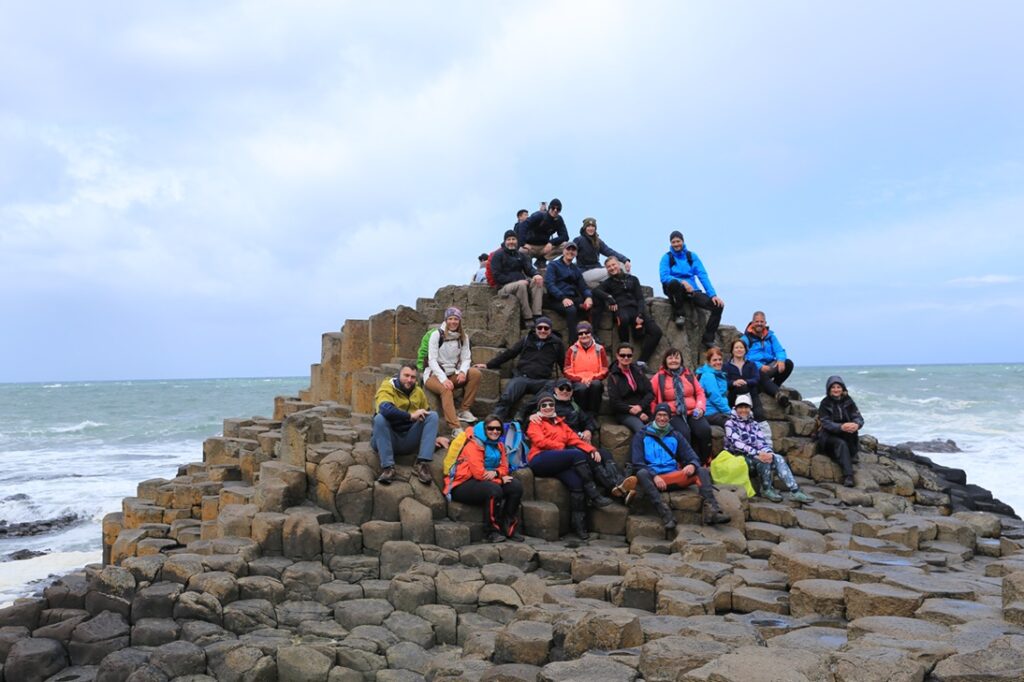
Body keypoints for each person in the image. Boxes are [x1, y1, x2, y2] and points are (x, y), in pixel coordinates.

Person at [618, 403, 731, 529]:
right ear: (654, 417)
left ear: (669, 418)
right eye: (659, 415)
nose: (662, 418)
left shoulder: (675, 435)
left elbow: (692, 456)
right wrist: (654, 476)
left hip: (673, 476)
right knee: (641, 473)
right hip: (653, 479)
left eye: (665, 415)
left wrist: (692, 465)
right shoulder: (641, 435)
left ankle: (713, 511)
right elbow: (638, 463)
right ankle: (667, 516)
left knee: (701, 470)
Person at [526, 392, 613, 540]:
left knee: (576, 483)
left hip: (557, 461)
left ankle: (579, 527)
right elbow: (539, 442)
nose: (548, 407)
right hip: (539, 459)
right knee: (576, 455)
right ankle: (595, 494)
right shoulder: (535, 423)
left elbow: (574, 439)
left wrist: (591, 449)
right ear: (539, 408)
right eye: (544, 405)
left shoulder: (561, 423)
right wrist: (560, 446)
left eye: (551, 405)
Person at [525, 379, 626, 500]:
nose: (564, 391)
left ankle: (619, 484)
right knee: (581, 455)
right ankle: (609, 487)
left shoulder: (566, 415)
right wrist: (561, 445)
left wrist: (591, 447)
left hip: (566, 449)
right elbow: (538, 439)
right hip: (545, 454)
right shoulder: (538, 420)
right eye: (561, 388)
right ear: (555, 390)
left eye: (568, 389)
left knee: (600, 454)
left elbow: (578, 433)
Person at [445, 416, 525, 543]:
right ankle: (492, 531)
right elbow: (479, 474)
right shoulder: (474, 444)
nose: (495, 431)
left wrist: (496, 473)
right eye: (491, 428)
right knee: (494, 489)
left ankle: (508, 526)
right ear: (484, 429)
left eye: (498, 429)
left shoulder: (499, 445)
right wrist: (500, 480)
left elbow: (505, 467)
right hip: (462, 484)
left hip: (487, 479)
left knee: (515, 486)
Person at [725, 395, 813, 503]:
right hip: (738, 457)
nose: (743, 410)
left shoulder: (754, 424)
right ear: (735, 408)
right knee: (762, 460)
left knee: (777, 457)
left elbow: (761, 442)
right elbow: (737, 444)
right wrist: (758, 454)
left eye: (746, 407)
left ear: (750, 408)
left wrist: (769, 453)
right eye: (740, 407)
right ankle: (766, 489)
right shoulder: (730, 423)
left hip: (755, 455)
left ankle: (795, 491)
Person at [477, 317, 564, 420]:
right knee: (507, 397)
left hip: (542, 380)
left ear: (550, 330)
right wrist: (488, 365)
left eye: (546, 328)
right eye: (540, 328)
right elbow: (511, 353)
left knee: (550, 391)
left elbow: (563, 363)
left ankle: (523, 411)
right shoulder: (527, 339)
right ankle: (495, 420)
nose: (542, 331)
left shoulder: (556, 344)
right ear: (535, 329)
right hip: (522, 377)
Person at [373, 364, 440, 485]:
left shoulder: (418, 392)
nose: (409, 380)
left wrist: (436, 436)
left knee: (433, 416)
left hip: (408, 438)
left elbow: (427, 414)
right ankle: (388, 468)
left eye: (413, 377)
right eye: (406, 375)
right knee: (379, 418)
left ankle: (421, 464)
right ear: (399, 375)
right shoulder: (387, 386)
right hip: (387, 438)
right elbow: (385, 409)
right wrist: (410, 416)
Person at [658, 230, 724, 348]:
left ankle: (708, 338)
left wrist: (713, 295)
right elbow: (664, 277)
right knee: (674, 283)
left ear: (683, 241)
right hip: (674, 288)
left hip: (692, 290)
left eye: (678, 241)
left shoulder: (691, 256)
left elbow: (702, 275)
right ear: (670, 243)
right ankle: (679, 314)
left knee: (718, 306)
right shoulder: (667, 257)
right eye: (673, 242)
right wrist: (682, 282)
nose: (676, 244)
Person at [422, 307, 482, 435]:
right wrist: (443, 379)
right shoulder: (436, 335)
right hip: (434, 375)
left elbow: (466, 358)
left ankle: (464, 410)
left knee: (475, 374)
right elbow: (432, 360)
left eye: (456, 319)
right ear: (446, 320)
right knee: (446, 389)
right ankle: (455, 427)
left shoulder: (463, 337)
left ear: (459, 321)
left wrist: (462, 372)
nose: (453, 322)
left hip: (453, 373)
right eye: (450, 319)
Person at [593, 256, 663, 365]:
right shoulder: (608, 282)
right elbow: (596, 291)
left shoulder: (633, 279)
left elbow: (640, 298)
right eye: (609, 267)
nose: (612, 268)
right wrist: (609, 298)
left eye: (613, 265)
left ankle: (641, 361)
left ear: (619, 265)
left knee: (656, 332)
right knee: (623, 319)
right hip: (621, 310)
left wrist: (640, 314)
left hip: (636, 310)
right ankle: (625, 351)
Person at [650, 348, 713, 465]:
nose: (674, 360)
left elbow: (700, 393)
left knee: (704, 430)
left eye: (676, 357)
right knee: (683, 433)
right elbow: (651, 397)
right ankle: (686, 463)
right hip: (673, 414)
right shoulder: (659, 377)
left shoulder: (688, 374)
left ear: (681, 360)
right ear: (665, 361)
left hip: (692, 412)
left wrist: (700, 408)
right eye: (670, 358)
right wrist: (657, 415)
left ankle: (704, 461)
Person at [489, 230, 545, 327]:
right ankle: (528, 318)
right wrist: (516, 281)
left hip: (520, 283)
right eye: (509, 239)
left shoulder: (520, 255)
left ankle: (537, 314)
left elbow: (529, 268)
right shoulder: (498, 255)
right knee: (521, 285)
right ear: (505, 241)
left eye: (513, 239)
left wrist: (536, 274)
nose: (511, 241)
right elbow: (497, 276)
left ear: (517, 241)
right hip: (503, 287)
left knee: (537, 281)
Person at [817, 375, 864, 487]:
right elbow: (825, 422)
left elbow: (858, 417)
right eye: (833, 387)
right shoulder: (825, 403)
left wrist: (856, 425)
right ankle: (848, 476)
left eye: (838, 387)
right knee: (841, 444)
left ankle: (851, 455)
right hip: (829, 437)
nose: (836, 389)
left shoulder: (848, 401)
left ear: (843, 389)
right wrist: (841, 427)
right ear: (829, 389)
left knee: (852, 432)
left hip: (845, 434)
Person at [543, 241, 593, 344]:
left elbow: (583, 286)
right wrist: (562, 298)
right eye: (568, 249)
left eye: (573, 250)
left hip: (572, 298)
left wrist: (588, 297)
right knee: (571, 310)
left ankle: (592, 335)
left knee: (589, 306)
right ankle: (573, 343)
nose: (570, 252)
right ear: (563, 251)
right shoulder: (553, 265)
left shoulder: (576, 269)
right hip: (555, 298)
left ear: (576, 253)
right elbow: (550, 284)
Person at [741, 311, 793, 408]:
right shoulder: (746, 339)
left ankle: (774, 385)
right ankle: (777, 394)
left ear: (765, 323)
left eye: (762, 321)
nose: (759, 324)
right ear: (752, 323)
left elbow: (779, 350)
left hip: (769, 366)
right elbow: (743, 358)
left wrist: (781, 360)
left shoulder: (770, 337)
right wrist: (759, 366)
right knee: (758, 372)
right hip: (755, 369)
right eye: (757, 321)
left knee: (788, 363)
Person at [607, 343, 655, 434]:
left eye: (629, 355)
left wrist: (640, 406)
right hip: (625, 412)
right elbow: (615, 402)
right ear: (617, 356)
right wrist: (637, 413)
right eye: (622, 355)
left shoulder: (638, 371)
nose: (626, 358)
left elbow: (650, 393)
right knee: (641, 430)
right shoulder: (613, 376)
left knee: (660, 428)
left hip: (643, 408)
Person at [563, 321, 608, 416]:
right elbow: (567, 370)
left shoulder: (599, 349)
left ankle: (593, 415)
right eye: (580, 333)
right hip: (578, 381)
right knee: (581, 388)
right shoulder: (572, 350)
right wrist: (581, 379)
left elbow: (605, 369)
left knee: (596, 385)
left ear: (591, 333)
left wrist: (592, 378)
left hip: (594, 379)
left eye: (586, 332)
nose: (584, 335)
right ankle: (581, 415)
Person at [573, 217, 629, 288]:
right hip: (585, 272)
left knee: (621, 265)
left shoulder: (597, 241)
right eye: (588, 226)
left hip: (598, 270)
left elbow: (609, 251)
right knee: (611, 270)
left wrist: (625, 260)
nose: (591, 228)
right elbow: (569, 253)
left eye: (593, 226)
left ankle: (627, 286)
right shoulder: (579, 240)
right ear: (584, 228)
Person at [724, 338, 765, 421]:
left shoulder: (751, 364)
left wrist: (746, 382)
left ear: (745, 350)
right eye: (736, 348)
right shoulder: (726, 366)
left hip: (751, 393)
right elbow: (724, 381)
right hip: (734, 394)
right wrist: (734, 383)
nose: (739, 350)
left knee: (759, 414)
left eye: (741, 347)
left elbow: (756, 378)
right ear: (732, 350)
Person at [517, 198, 569, 264]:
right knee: (522, 251)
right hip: (531, 247)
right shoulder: (539, 215)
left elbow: (565, 236)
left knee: (566, 245)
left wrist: (551, 243)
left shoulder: (559, 220)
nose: (555, 210)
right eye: (553, 208)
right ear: (549, 207)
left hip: (545, 248)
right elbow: (523, 225)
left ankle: (542, 260)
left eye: (558, 209)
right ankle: (525, 268)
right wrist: (523, 243)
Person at [695, 347, 730, 427]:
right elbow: (716, 398)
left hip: (718, 410)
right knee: (733, 424)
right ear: (709, 362)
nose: (718, 362)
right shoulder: (708, 376)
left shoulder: (717, 374)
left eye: (720, 359)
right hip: (710, 412)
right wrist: (729, 412)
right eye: (714, 360)